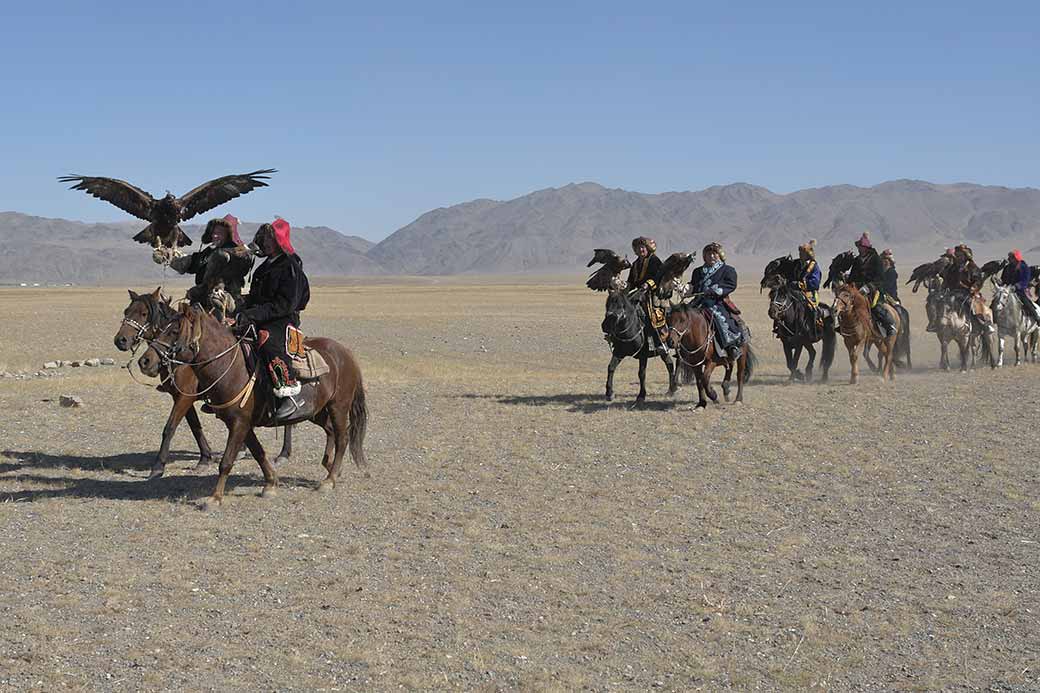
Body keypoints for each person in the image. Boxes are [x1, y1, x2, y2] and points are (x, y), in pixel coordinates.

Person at [235, 219, 310, 421]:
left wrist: (253, 314)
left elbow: (285, 304)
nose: (267, 242)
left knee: (268, 342)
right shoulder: (262, 268)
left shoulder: (290, 266)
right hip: (261, 316)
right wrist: (238, 305)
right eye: (265, 238)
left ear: (280, 240)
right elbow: (255, 298)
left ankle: (289, 394)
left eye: (271, 238)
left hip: (283, 319)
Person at [169, 214, 253, 319]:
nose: (215, 236)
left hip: (225, 303)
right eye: (214, 233)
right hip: (201, 302)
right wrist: (168, 258)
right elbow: (190, 263)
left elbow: (245, 260)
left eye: (220, 233)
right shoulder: (209, 251)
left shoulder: (237, 253)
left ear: (228, 235)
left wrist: (223, 255)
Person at [689, 242, 744, 360]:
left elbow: (731, 284)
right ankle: (682, 348)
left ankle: (731, 346)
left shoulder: (728, 270)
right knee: (681, 316)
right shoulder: (697, 271)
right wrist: (686, 289)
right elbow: (694, 286)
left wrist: (715, 291)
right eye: (708, 254)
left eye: (714, 254)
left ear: (720, 255)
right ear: (704, 256)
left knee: (722, 319)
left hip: (717, 302)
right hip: (698, 302)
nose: (711, 256)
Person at [847, 232, 897, 337]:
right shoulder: (857, 260)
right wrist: (849, 284)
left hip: (873, 290)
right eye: (858, 247)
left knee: (875, 306)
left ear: (866, 248)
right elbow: (852, 276)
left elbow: (880, 278)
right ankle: (846, 327)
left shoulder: (876, 259)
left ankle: (889, 325)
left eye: (860, 247)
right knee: (847, 305)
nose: (859, 249)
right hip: (858, 290)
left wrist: (868, 287)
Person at [626, 236, 667, 355]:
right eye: (638, 248)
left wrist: (648, 284)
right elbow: (631, 282)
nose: (640, 250)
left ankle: (659, 342)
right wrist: (623, 286)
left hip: (653, 293)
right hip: (639, 292)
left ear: (647, 248)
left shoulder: (654, 260)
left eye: (642, 247)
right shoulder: (635, 264)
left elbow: (659, 277)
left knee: (651, 314)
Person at [1000, 249, 1040, 322]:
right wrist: (1000, 283)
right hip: (1007, 290)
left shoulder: (1024, 268)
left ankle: (1037, 318)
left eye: (1011, 257)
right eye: (1009, 257)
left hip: (1019, 291)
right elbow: (1003, 279)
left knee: (1025, 301)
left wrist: (1016, 286)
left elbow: (1025, 281)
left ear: (1016, 258)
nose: (1009, 259)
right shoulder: (1007, 268)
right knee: (997, 300)